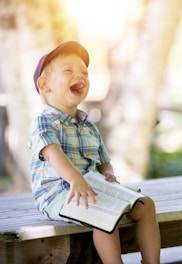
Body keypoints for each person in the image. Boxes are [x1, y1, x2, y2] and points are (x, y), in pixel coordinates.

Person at [28, 41, 161, 264]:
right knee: (104, 215)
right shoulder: (44, 121)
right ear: (44, 85)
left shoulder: (87, 122)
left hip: (92, 186)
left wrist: (108, 172)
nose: (80, 76)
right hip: (58, 194)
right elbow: (53, 154)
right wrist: (75, 179)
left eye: (84, 72)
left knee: (145, 205)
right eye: (68, 70)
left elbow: (103, 160)